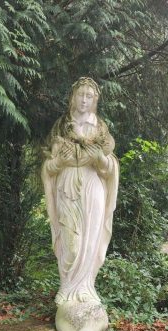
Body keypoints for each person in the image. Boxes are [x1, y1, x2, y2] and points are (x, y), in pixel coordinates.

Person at [42, 77, 119, 306]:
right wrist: (58, 164)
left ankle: (86, 288)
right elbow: (48, 166)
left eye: (89, 96)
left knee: (90, 239)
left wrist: (101, 160)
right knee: (71, 243)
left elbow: (111, 166)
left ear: (94, 100)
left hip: (93, 187)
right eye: (80, 95)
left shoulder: (101, 128)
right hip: (67, 187)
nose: (84, 100)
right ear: (72, 97)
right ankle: (66, 287)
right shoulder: (61, 126)